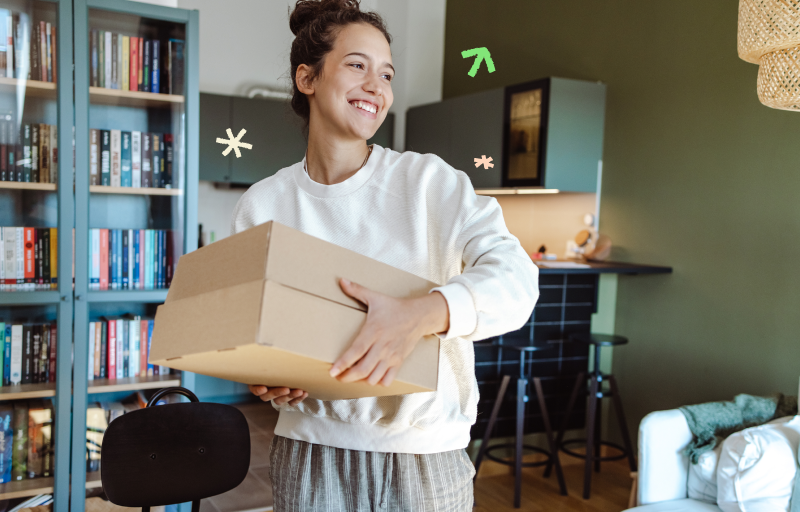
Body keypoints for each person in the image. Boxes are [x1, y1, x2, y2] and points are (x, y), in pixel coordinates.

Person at [230, 0, 539, 509]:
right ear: (307, 79)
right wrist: (266, 375)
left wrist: (423, 314)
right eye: (357, 65)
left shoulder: (429, 183)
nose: (377, 86)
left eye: (387, 73)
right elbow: (252, 329)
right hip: (307, 452)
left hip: (423, 458)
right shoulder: (262, 204)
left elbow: (517, 281)